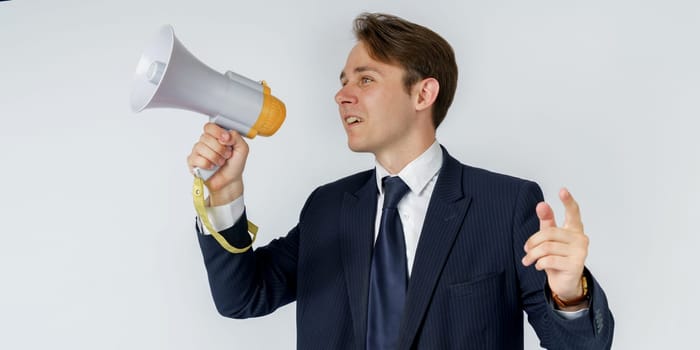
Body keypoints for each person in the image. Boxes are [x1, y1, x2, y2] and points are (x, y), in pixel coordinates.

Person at [187, 12, 614, 349]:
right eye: (343, 82)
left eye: (366, 79)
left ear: (423, 94)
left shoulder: (505, 205)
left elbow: (581, 347)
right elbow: (242, 298)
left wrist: (569, 297)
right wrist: (224, 195)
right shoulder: (327, 208)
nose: (342, 95)